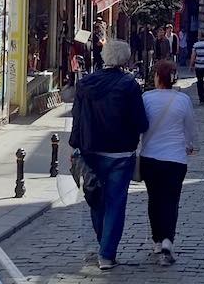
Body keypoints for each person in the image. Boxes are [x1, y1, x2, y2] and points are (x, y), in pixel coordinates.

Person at [69, 39, 148, 270]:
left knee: (95, 199)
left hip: (90, 151)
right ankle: (106, 253)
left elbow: (77, 119)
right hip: (120, 154)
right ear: (125, 59)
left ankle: (102, 242)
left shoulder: (85, 84)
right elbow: (141, 122)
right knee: (115, 203)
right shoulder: (129, 85)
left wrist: (74, 147)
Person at [140, 60, 199, 265]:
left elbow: (139, 125)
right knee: (171, 200)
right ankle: (167, 241)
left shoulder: (146, 98)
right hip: (175, 159)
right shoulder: (182, 100)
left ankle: (157, 240)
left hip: (150, 158)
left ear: (157, 77)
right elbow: (190, 127)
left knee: (154, 199)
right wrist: (191, 145)